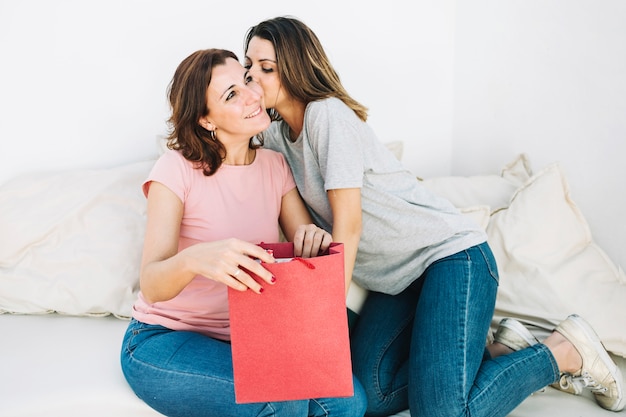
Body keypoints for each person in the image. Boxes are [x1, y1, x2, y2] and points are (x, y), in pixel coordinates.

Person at [243, 16, 625, 417]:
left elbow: (348, 226)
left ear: (298, 68)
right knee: (369, 397)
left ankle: (562, 351)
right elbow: (300, 223)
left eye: (267, 68)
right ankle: (502, 350)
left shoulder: (326, 115)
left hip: (452, 258)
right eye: (248, 66)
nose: (253, 77)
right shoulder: (274, 138)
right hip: (400, 284)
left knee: (442, 413)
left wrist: (324, 322)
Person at [119, 48, 367, 417]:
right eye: (231, 94)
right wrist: (196, 259)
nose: (252, 95)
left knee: (350, 404)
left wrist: (313, 242)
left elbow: (305, 249)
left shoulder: (274, 165)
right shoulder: (175, 170)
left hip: (253, 335)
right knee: (282, 403)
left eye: (247, 81)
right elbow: (153, 284)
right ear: (205, 119)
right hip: (166, 337)